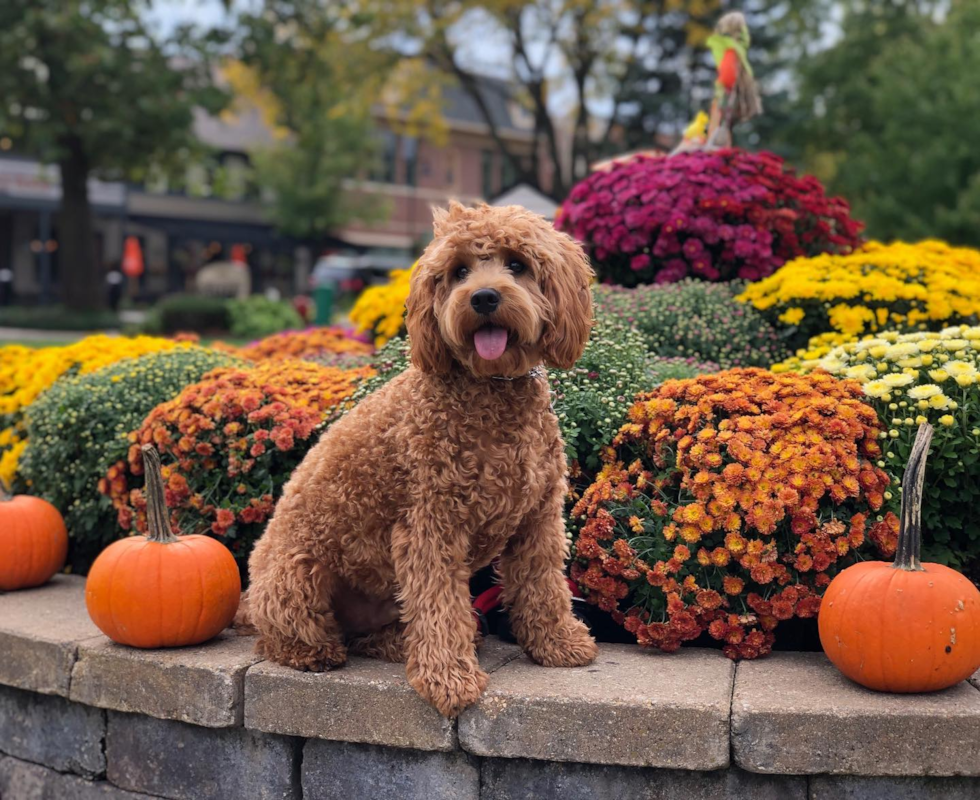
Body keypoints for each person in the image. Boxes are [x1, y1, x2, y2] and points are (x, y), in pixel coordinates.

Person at [705, 12, 762, 148]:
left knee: (717, 138)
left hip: (723, 99)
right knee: (724, 134)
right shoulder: (738, 51)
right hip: (731, 100)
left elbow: (727, 77)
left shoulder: (730, 50)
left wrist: (722, 93)